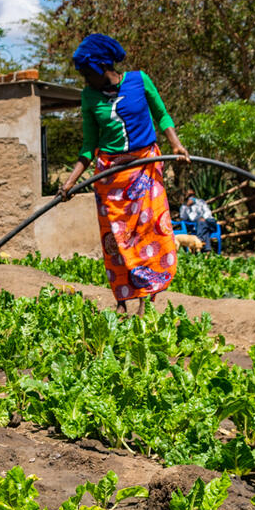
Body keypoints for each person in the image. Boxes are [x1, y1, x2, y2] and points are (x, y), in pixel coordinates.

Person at [56, 33, 190, 315]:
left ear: (101, 67)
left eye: (85, 72)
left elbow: (162, 115)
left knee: (146, 234)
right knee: (117, 239)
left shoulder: (139, 81)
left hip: (144, 168)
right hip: (110, 177)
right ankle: (121, 302)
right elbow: (89, 145)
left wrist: (176, 145)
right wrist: (69, 183)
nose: (83, 79)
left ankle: (143, 300)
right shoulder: (89, 96)